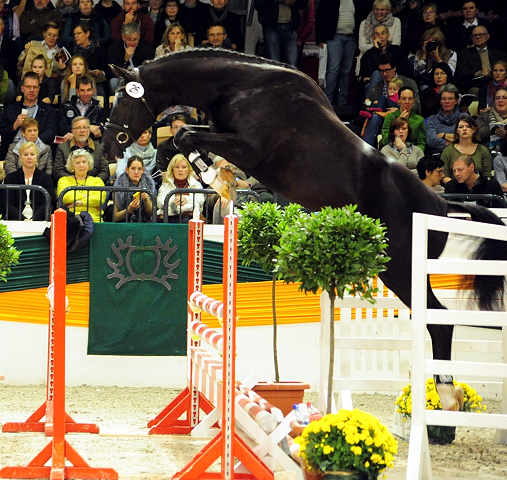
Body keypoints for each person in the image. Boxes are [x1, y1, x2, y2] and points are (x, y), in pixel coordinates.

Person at [0, 71, 56, 160]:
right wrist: (15, 125)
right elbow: (2, 133)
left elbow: (51, 132)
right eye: (28, 87)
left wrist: (32, 141)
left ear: (39, 89)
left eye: (35, 87)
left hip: (37, 152)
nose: (31, 90)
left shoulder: (48, 110)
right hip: (13, 152)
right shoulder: (10, 109)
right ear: (22, 88)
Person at [3, 141, 54, 220]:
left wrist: (34, 219)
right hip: (16, 219)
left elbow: (47, 203)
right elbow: (8, 204)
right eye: (25, 154)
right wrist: (23, 219)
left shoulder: (46, 178)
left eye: (32, 154)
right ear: (20, 156)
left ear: (37, 155)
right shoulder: (11, 178)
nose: (29, 157)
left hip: (39, 219)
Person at [53, 116, 110, 183]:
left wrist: (91, 182)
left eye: (85, 127)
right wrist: (75, 181)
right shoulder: (62, 148)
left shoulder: (99, 148)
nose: (82, 130)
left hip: (93, 186)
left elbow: (105, 171)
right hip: (70, 186)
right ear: (73, 131)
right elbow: (58, 171)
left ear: (89, 130)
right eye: (78, 128)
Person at [359, 24, 408, 99]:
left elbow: (403, 69)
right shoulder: (368, 54)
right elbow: (368, 72)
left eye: (383, 33)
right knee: (376, 74)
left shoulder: (398, 50)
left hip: (396, 80)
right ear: (372, 38)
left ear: (388, 36)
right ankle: (370, 106)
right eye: (377, 34)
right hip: (375, 83)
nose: (380, 37)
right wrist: (376, 50)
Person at [254, 0, 308, 67]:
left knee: (291, 63)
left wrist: (293, 2)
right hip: (271, 26)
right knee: (273, 62)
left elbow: (304, 3)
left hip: (291, 26)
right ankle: (276, 77)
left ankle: (289, 77)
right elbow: (258, 4)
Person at [56, 148, 105, 222]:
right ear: (72, 165)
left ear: (88, 164)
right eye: (77, 163)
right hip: (71, 219)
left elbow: (99, 199)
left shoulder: (97, 181)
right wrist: (86, 196)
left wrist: (77, 203)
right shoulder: (64, 180)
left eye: (84, 162)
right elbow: (65, 197)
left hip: (94, 219)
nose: (81, 165)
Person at [454, 25, 507, 94]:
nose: (478, 37)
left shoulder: (499, 54)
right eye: (474, 35)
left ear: (487, 36)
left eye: (481, 35)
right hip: (476, 84)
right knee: (476, 91)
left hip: (497, 82)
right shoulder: (464, 54)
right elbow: (462, 73)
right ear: (471, 38)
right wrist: (478, 73)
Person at [441, 115, 492, 182]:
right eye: (461, 127)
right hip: (454, 189)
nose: (464, 129)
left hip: (478, 189)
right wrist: (454, 186)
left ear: (474, 130)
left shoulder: (483, 150)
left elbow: (487, 176)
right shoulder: (448, 151)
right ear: (457, 131)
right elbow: (444, 175)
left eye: (468, 126)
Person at [356, 0, 401, 76]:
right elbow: (362, 46)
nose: (379, 12)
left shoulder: (395, 21)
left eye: (382, 9)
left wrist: (382, 45)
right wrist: (375, 46)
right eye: (376, 9)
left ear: (388, 10)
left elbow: (396, 43)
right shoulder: (364, 23)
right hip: (369, 60)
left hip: (390, 59)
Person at [107, 22, 154, 93]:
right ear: (123, 37)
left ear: (139, 36)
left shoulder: (146, 47)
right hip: (121, 78)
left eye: (135, 39)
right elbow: (112, 71)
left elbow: (150, 67)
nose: (132, 43)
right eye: (129, 40)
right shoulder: (114, 48)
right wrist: (125, 59)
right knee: (113, 82)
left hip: (140, 77)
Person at [58, 75, 107, 141]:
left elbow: (100, 131)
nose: (86, 93)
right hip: (70, 143)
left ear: (93, 90)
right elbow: (61, 128)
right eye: (82, 90)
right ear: (77, 92)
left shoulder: (99, 109)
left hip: (91, 144)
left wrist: (75, 134)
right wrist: (89, 128)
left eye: (89, 90)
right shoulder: (66, 107)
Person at [156, 153, 204, 223]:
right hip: (168, 219)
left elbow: (200, 201)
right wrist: (174, 201)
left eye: (184, 167)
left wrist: (185, 199)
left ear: (188, 170)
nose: (180, 170)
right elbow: (160, 202)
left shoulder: (196, 185)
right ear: (172, 170)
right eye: (177, 167)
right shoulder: (165, 184)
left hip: (188, 218)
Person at [69, 23, 108, 96]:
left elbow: (106, 69)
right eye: (74, 34)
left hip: (95, 80)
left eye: (79, 33)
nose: (76, 36)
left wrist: (99, 72)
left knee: (100, 91)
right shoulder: (71, 49)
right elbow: (68, 69)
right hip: (75, 80)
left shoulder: (99, 50)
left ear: (87, 34)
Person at [113, 155, 155, 222]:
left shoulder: (149, 185)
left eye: (139, 169)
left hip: (144, 224)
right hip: (124, 224)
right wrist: (129, 209)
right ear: (127, 170)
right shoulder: (119, 186)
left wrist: (146, 200)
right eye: (133, 168)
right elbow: (115, 217)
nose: (136, 172)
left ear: (143, 170)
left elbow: (151, 214)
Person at [426, 83, 465, 155]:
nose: (447, 102)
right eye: (443, 99)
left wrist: (443, 135)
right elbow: (431, 140)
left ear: (456, 101)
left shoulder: (464, 117)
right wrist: (455, 142)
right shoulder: (433, 119)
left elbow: (467, 138)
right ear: (440, 101)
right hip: (439, 155)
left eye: (450, 99)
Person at [476, 88, 507, 154]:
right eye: (497, 98)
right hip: (488, 153)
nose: (500, 100)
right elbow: (476, 135)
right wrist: (493, 129)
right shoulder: (484, 116)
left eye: (504, 98)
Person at [0, 16, 22, 84]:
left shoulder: (12, 45)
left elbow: (12, 69)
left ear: (3, 26)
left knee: (10, 83)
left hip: (5, 78)